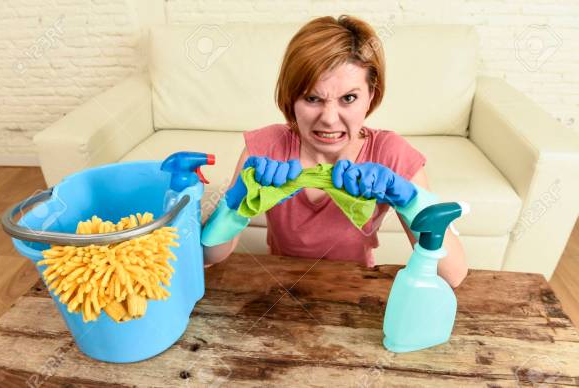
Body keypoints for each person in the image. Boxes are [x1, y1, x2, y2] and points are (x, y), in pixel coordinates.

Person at [200, 15, 468, 288]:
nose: (329, 118)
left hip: (354, 290)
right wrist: (233, 206)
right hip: (278, 286)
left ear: (370, 96)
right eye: (312, 98)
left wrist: (413, 201)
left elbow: (452, 275)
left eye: (348, 98)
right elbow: (208, 256)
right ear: (291, 99)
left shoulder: (390, 154)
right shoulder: (266, 149)